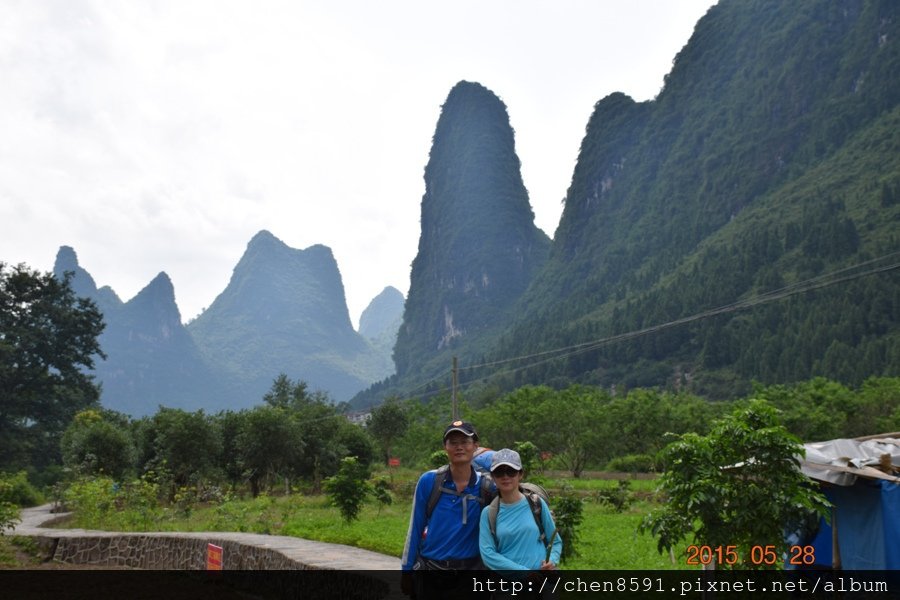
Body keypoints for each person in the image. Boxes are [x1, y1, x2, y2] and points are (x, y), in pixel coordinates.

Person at [401, 420, 495, 598]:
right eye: (453, 442)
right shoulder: (429, 481)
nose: (459, 447)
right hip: (431, 574)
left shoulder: (487, 487)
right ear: (445, 447)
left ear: (475, 446)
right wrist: (406, 570)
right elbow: (415, 527)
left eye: (465, 442)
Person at [479, 448, 562, 576]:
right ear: (493, 477)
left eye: (511, 472)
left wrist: (552, 561)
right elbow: (488, 554)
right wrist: (525, 573)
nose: (505, 477)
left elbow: (555, 541)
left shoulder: (536, 503)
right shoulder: (489, 513)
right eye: (499, 472)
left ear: (520, 474)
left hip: (541, 581)